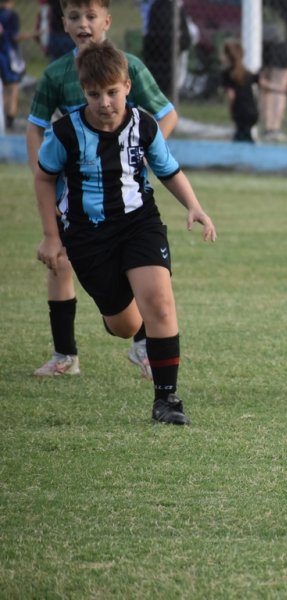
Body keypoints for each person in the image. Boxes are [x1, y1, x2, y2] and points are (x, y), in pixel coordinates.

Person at [34, 40, 216, 424]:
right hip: (87, 235)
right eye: (94, 94)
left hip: (139, 223)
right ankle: (122, 319)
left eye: (112, 92)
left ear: (127, 87)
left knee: (161, 304)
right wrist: (52, 235)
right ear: (83, 93)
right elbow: (44, 176)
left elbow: (167, 169)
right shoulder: (65, 132)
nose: (104, 102)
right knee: (125, 325)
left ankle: (166, 400)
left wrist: (195, 206)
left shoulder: (144, 125)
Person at [26, 0, 179, 378]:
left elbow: (166, 115)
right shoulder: (57, 73)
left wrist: (139, 156)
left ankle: (144, 344)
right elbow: (35, 126)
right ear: (63, 23)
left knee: (140, 267)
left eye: (91, 16)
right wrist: (41, 175)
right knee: (58, 260)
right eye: (75, 17)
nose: (83, 24)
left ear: (106, 21)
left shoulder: (128, 66)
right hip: (70, 194)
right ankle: (65, 355)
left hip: (125, 198)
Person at [260, 0, 287, 141]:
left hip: (263, 43)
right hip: (283, 44)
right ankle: (274, 127)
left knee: (265, 83)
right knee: (280, 84)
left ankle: (266, 125)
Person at [141, 0, 192, 97]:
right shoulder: (157, 6)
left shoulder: (174, 7)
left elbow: (186, 39)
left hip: (166, 57)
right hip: (160, 57)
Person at [0, 0, 37, 131]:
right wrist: (33, 34)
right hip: (8, 56)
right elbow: (15, 37)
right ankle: (9, 121)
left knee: (3, 90)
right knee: (12, 90)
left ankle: (3, 120)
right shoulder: (11, 16)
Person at [221, 37, 259, 143]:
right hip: (252, 111)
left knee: (239, 137)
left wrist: (230, 110)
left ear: (228, 56)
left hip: (240, 111)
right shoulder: (247, 72)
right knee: (245, 135)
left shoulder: (227, 74)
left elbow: (231, 95)